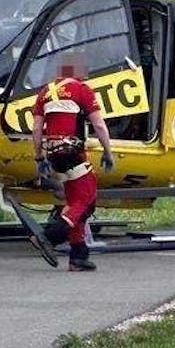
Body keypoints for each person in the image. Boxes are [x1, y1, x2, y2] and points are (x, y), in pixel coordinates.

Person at [29, 58, 115, 272]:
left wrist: (39, 157)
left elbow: (37, 129)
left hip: (54, 155)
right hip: (72, 152)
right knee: (86, 200)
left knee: (75, 201)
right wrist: (108, 152)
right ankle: (49, 237)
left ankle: (78, 255)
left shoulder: (45, 92)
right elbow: (98, 124)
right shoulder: (81, 89)